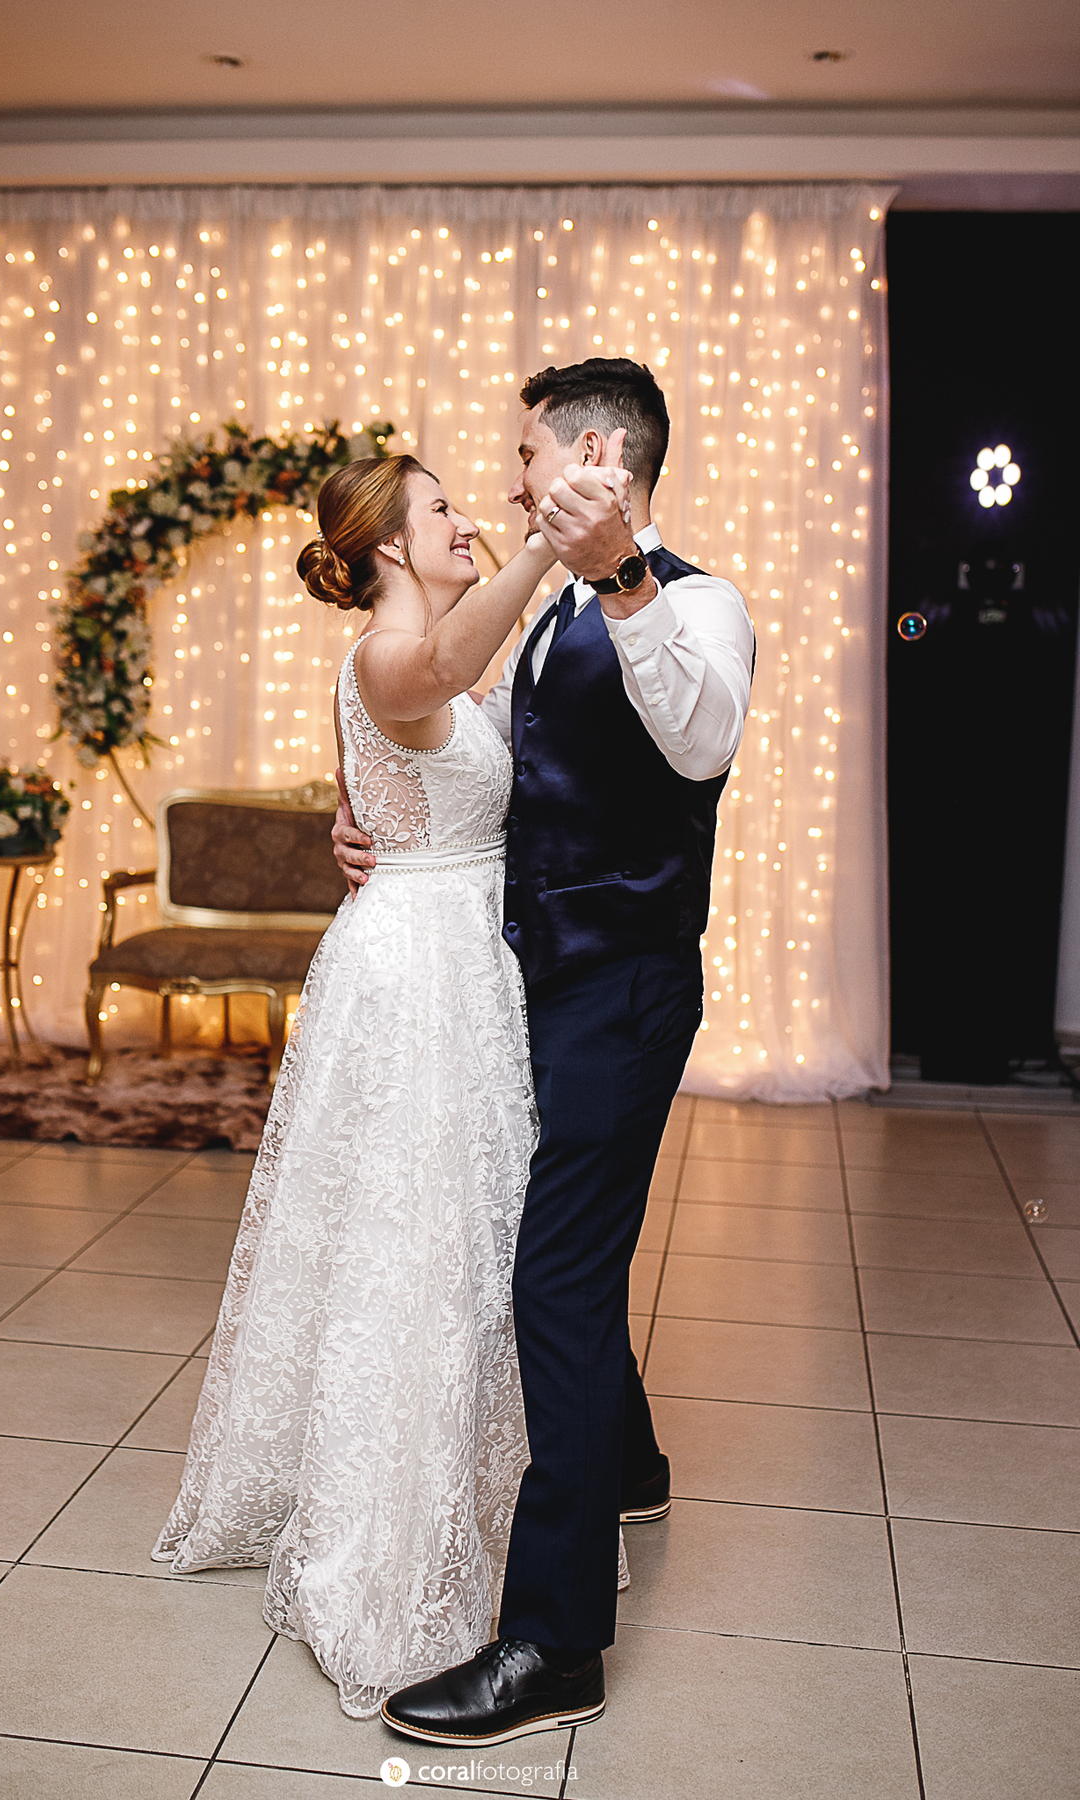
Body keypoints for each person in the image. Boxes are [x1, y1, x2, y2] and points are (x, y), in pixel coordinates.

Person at [152, 451, 629, 1719]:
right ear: (385, 549)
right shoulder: (385, 655)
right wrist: (546, 545)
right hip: (417, 974)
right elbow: (441, 673)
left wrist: (359, 822)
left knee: (476, 1243)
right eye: (442, 512)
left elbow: (405, 776)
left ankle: (493, 1495)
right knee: (410, 1247)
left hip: (464, 956)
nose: (467, 523)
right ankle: (381, 1537)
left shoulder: (424, 660)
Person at [334, 359, 755, 1747]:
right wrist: (373, 823)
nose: (509, 483)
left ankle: (555, 1647)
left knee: (555, 1274)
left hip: (619, 989)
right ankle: (629, 1463)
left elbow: (697, 746)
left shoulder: (694, 601)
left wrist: (625, 576)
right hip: (522, 981)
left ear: (590, 455)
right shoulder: (543, 620)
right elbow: (496, 779)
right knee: (565, 1243)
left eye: (525, 455)